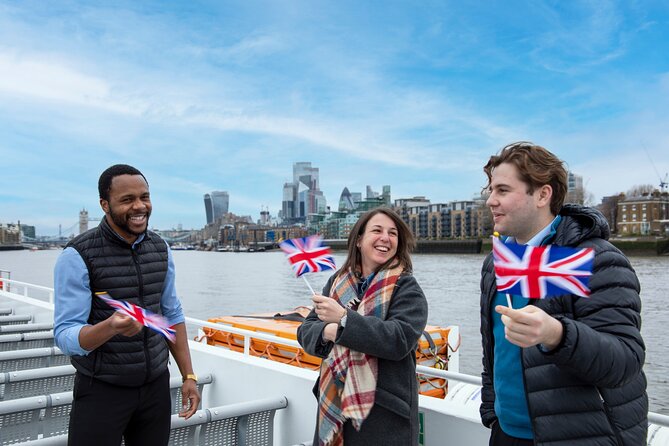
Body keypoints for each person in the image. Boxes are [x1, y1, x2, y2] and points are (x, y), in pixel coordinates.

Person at [480, 142, 647, 446]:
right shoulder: (497, 262)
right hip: (506, 433)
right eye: (490, 190)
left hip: (579, 436)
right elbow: (492, 348)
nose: (491, 200)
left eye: (503, 190)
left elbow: (625, 361)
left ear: (543, 195)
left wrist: (556, 334)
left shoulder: (595, 260)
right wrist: (493, 412)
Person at [54, 164, 201, 446]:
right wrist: (110, 327)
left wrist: (189, 376)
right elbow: (65, 335)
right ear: (104, 205)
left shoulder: (160, 248)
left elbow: (172, 314)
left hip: (156, 386)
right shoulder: (77, 255)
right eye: (127, 200)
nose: (139, 206)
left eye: (144, 197)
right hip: (102, 390)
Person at [297, 208, 428, 446]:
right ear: (359, 240)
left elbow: (398, 340)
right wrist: (330, 330)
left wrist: (344, 320)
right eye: (377, 230)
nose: (385, 238)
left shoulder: (407, 288)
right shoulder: (338, 283)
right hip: (333, 405)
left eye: (393, 233)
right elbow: (306, 332)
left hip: (383, 416)